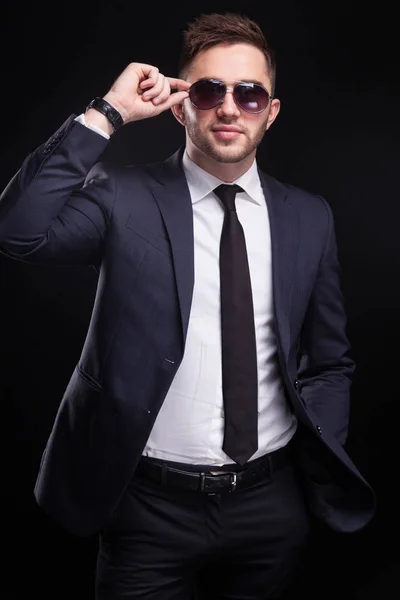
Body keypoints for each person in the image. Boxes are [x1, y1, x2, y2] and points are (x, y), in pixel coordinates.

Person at [0, 11, 375, 600]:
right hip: (146, 506)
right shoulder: (121, 196)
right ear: (181, 105)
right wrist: (108, 112)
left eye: (250, 94)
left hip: (270, 505)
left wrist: (319, 452)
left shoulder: (309, 215)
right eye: (209, 90)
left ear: (270, 112)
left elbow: (329, 359)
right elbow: (18, 231)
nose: (229, 107)